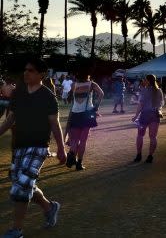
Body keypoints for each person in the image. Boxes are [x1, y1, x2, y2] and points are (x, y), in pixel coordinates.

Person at [0, 58, 66, 237]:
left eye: (30, 70)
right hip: (19, 146)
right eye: (25, 70)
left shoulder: (48, 96)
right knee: (24, 183)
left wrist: (61, 148)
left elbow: (55, 124)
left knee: (21, 188)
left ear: (41, 74)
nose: (26, 73)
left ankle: (16, 230)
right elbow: (10, 119)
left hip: (38, 147)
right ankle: (49, 207)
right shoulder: (19, 93)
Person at [65, 73, 105, 171]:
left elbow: (70, 98)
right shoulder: (92, 84)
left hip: (75, 114)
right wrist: (96, 106)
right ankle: (79, 163)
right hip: (87, 114)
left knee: (74, 140)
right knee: (83, 141)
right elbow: (101, 93)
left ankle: (71, 155)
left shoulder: (73, 85)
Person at [131, 74, 164, 163]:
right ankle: (150, 156)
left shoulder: (144, 91)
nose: (143, 81)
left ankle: (139, 155)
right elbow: (161, 104)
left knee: (140, 135)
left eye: (145, 80)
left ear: (148, 81)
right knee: (153, 137)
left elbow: (140, 105)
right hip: (155, 115)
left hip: (144, 115)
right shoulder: (159, 91)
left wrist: (135, 116)